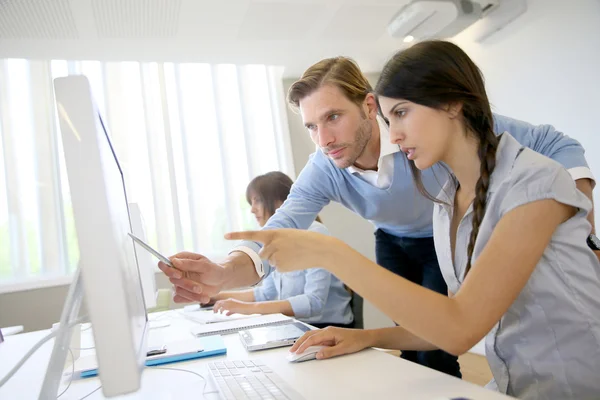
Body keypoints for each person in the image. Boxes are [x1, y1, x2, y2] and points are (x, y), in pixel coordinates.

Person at [159, 54, 597, 378]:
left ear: (369, 108)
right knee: (416, 330)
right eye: (311, 126)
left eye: (333, 117)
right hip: (407, 235)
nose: (323, 138)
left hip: (455, 236)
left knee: (446, 342)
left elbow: (552, 145)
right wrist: (225, 270)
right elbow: (282, 225)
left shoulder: (461, 150)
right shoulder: (417, 188)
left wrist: (570, 218)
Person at [210, 171, 353, 329]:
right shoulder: (271, 240)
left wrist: (247, 309)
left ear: (280, 202)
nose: (252, 210)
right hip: (297, 325)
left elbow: (314, 302)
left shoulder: (314, 233)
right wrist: (215, 297)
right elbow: (266, 293)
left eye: (257, 201)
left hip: (327, 327)